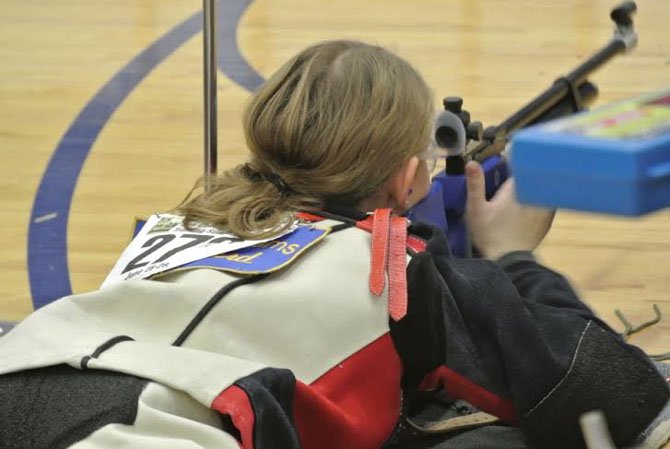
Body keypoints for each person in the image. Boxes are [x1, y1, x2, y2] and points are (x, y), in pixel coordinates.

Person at [0, 40, 668, 449]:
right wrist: (512, 256)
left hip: (19, 376)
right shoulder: (390, 267)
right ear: (408, 178)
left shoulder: (174, 225)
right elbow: (617, 395)